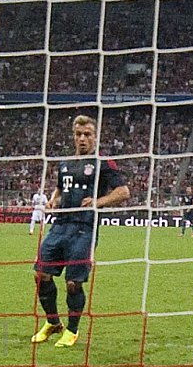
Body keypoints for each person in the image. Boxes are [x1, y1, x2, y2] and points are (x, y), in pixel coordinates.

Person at [32, 115, 130, 347]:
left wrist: (99, 201)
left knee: (73, 283)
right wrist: (54, 201)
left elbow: (123, 191)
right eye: (78, 134)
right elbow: (59, 188)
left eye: (87, 134)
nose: (82, 139)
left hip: (84, 228)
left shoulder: (103, 163)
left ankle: (72, 330)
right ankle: (53, 322)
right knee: (40, 275)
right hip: (60, 226)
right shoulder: (66, 163)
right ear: (73, 137)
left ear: (95, 137)